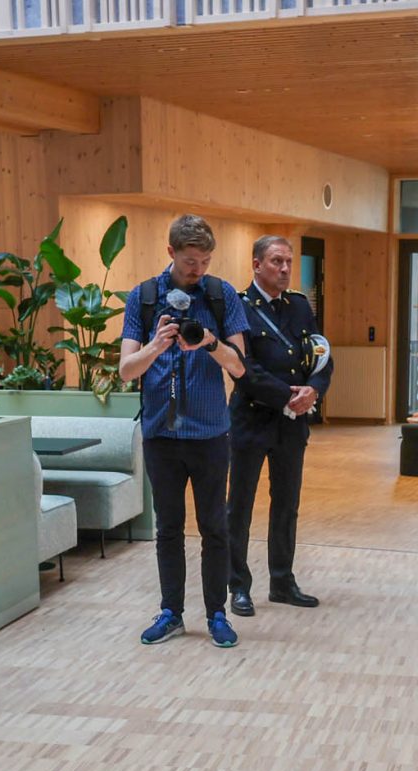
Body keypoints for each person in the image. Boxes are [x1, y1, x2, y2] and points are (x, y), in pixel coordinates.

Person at [119, 214, 252, 648]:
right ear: (171, 252)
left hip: (210, 433)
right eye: (191, 261)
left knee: (215, 527)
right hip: (161, 433)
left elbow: (239, 367)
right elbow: (126, 371)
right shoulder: (144, 297)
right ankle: (171, 612)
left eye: (205, 261)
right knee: (168, 528)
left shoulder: (221, 294)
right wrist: (156, 346)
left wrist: (210, 342)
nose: (198, 269)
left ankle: (217, 614)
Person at [226, 235, 329, 615]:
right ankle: (238, 585)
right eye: (276, 261)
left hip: (291, 424)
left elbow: (321, 353)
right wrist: (288, 395)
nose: (285, 269)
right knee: (240, 506)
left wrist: (314, 390)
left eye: (288, 261)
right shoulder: (239, 307)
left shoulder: (298, 306)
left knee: (287, 505)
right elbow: (243, 368)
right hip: (252, 418)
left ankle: (282, 581)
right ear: (256, 264)